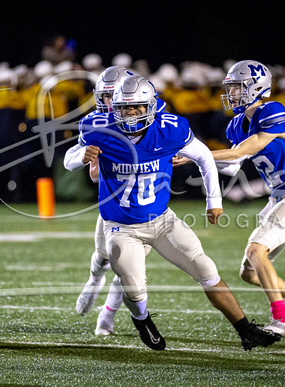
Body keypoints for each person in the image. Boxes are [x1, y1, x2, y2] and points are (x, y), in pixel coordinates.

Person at [77, 74, 281, 351]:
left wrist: (213, 200)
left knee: (206, 268)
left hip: (162, 220)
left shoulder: (169, 129)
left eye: (137, 107)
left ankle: (246, 330)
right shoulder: (98, 129)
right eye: (125, 107)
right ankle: (142, 319)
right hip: (121, 226)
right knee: (134, 288)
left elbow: (204, 157)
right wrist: (82, 157)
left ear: (150, 106)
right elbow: (71, 158)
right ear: (114, 107)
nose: (131, 113)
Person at [209, 60, 285, 337]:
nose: (231, 92)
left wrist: (194, 155)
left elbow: (244, 151)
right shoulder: (236, 124)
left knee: (255, 251)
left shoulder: (272, 110)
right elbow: (234, 163)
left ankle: (282, 321)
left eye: (236, 87)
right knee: (249, 272)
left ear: (255, 88)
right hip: (278, 199)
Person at [64, 66, 165, 336]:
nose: (109, 103)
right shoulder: (98, 123)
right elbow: (78, 164)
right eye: (105, 96)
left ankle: (106, 316)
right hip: (113, 206)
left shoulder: (153, 116)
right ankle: (94, 280)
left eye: (114, 96)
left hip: (146, 205)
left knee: (127, 269)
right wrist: (86, 155)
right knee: (102, 258)